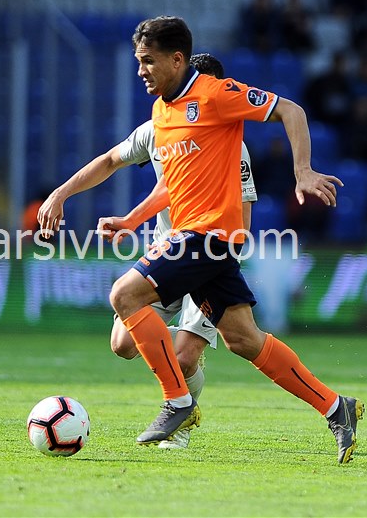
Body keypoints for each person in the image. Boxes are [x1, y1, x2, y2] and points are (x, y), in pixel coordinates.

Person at [90, 16, 363, 464]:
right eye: (139, 61)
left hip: (207, 236)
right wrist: (132, 219)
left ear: (176, 59)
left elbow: (291, 110)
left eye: (147, 60)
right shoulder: (163, 112)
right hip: (197, 238)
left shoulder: (217, 96)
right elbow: (172, 184)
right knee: (243, 339)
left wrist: (303, 171)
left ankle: (178, 402)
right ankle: (337, 408)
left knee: (124, 294)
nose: (140, 70)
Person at [37, 53, 257, 449]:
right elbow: (109, 160)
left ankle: (184, 415)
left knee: (185, 358)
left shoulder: (231, 148)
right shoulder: (157, 130)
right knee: (123, 345)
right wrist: (61, 193)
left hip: (209, 259)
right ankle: (181, 350)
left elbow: (242, 219)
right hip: (168, 255)